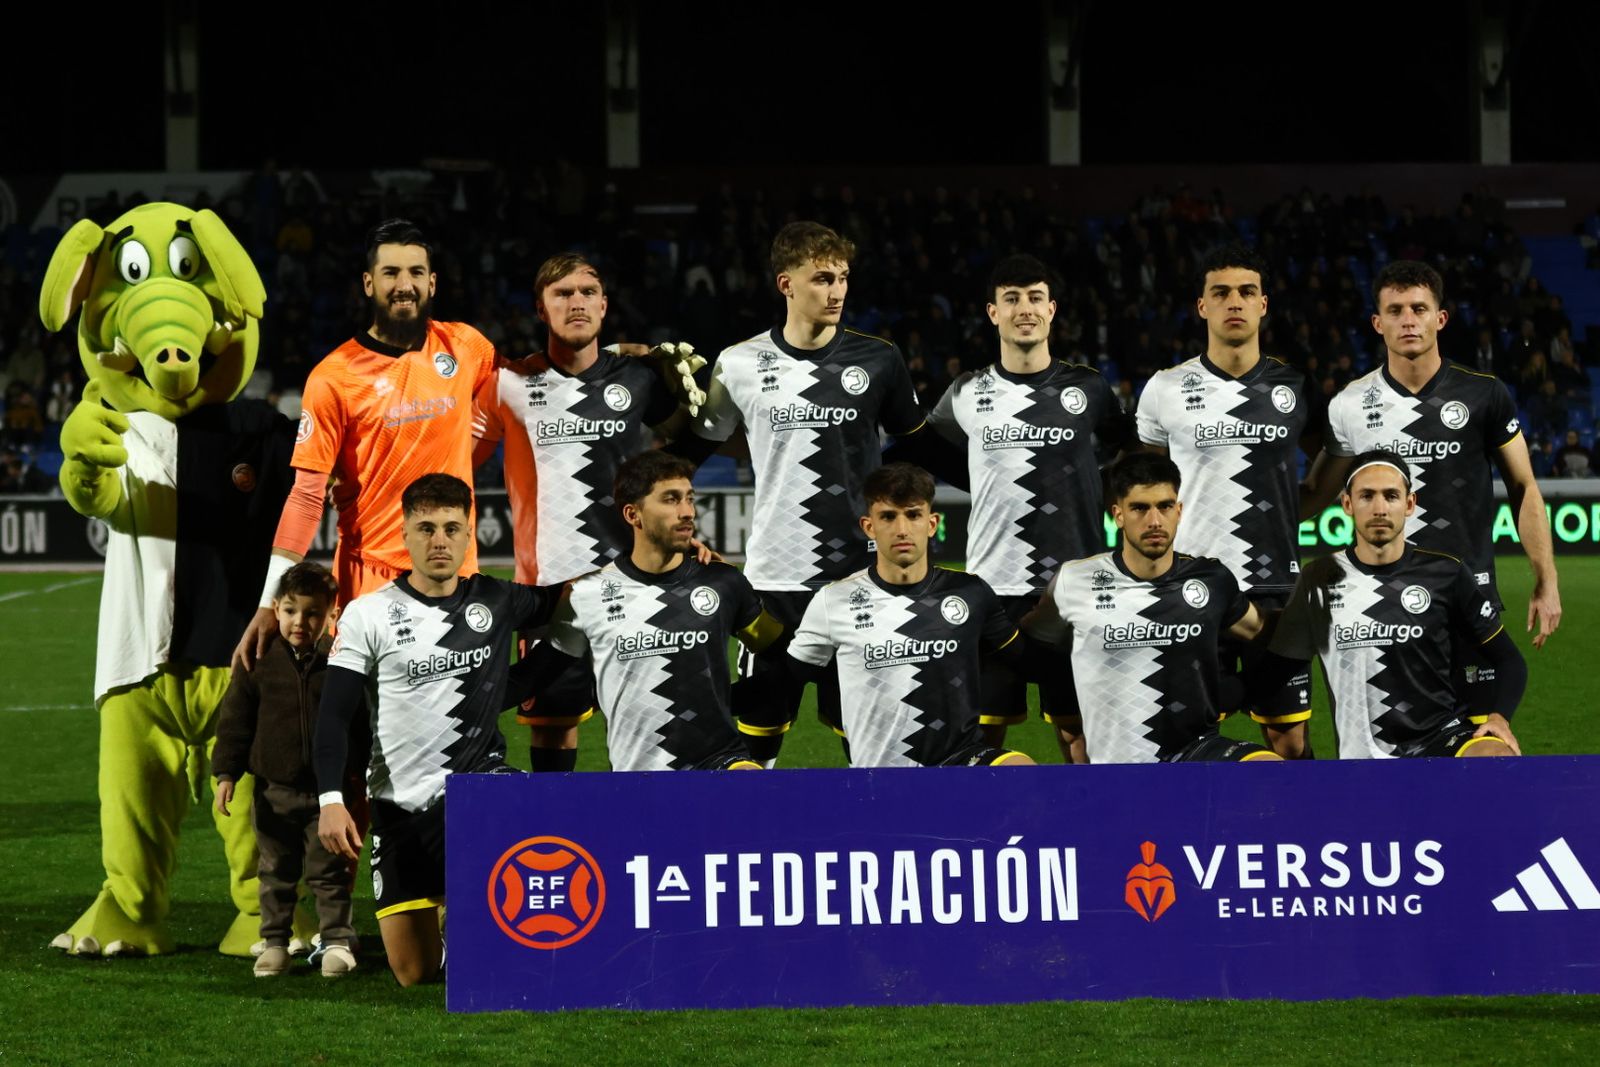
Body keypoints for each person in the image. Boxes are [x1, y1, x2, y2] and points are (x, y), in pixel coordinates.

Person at [682, 222, 954, 764]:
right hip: (772, 583)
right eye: (822, 278)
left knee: (872, 743)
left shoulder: (879, 359)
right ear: (786, 283)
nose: (837, 291)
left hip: (859, 579)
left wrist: (1004, 480)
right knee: (754, 740)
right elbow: (690, 453)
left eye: (844, 278)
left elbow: (920, 446)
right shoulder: (738, 363)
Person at [313, 474, 558, 986]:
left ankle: (490, 916)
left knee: (506, 799)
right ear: (404, 533)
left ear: (471, 534)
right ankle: (455, 928)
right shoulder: (368, 614)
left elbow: (580, 599)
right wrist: (331, 800)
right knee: (415, 973)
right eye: (425, 528)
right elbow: (334, 715)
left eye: (451, 528)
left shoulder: (495, 599)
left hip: (474, 789)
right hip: (400, 806)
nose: (439, 540)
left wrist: (673, 562)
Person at [233, 218, 497, 668]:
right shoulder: (334, 377)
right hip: (371, 586)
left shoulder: (466, 347)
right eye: (391, 273)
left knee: (458, 734)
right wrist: (267, 600)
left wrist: (464, 464)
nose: (404, 285)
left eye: (415, 272)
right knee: (371, 736)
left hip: (454, 575)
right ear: (368, 283)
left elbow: (509, 402)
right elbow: (305, 496)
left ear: (432, 282)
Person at [473, 253, 698, 773]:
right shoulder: (507, 383)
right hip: (550, 594)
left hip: (637, 588)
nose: (576, 301)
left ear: (604, 305)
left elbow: (688, 451)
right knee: (554, 741)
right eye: (561, 293)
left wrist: (695, 405)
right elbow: (453, 461)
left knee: (652, 734)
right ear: (539, 308)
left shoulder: (641, 378)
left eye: (586, 292)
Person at [927, 253, 1129, 762]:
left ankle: (1090, 837)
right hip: (994, 590)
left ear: (1052, 309)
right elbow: (924, 454)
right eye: (1011, 299)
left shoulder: (1089, 389)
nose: (1025, 309)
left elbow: (1127, 457)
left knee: (1081, 738)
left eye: (1035, 298)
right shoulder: (966, 393)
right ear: (992, 313)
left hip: (1075, 588)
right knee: (983, 739)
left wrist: (1093, 491)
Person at [1303, 260, 1561, 651]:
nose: (1408, 320)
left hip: (1468, 597)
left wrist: (1547, 579)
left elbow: (1524, 488)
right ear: (1377, 324)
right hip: (1379, 601)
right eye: (1395, 310)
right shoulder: (1349, 404)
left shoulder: (1484, 394)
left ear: (1440, 319)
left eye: (1419, 309)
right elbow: (1317, 492)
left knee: (1486, 716)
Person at [1134, 244, 1322, 757]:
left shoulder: (1295, 386)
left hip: (1277, 592)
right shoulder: (1164, 389)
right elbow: (1149, 482)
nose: (1234, 301)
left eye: (1246, 292)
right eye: (1221, 293)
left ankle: (1300, 833)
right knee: (1190, 736)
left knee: (1289, 739)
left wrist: (1300, 502)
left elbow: (1336, 456)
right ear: (1202, 306)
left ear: (1264, 304)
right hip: (1191, 587)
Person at [513, 452, 782, 771]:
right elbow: (531, 677)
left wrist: (727, 700)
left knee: (751, 789)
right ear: (633, 514)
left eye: (689, 499)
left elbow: (783, 658)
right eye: (670, 499)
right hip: (635, 780)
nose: (687, 512)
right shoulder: (587, 596)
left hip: (721, 763)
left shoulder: (724, 581)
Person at [1022, 453, 1289, 764]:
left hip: (1196, 752)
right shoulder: (1074, 580)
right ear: (1118, 514)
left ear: (1178, 511)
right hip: (1115, 765)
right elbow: (1030, 650)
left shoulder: (1212, 579)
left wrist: (1240, 689)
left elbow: (1266, 632)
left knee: (1268, 771)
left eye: (1164, 506)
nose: (1154, 521)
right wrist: (1068, 719)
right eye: (1139, 508)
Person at [772, 463, 1039, 768]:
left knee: (1021, 771)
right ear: (868, 526)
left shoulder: (970, 592)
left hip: (959, 761)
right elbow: (782, 682)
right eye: (888, 516)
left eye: (913, 515)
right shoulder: (834, 601)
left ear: (932, 523)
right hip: (881, 775)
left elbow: (1027, 662)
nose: (902, 529)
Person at [1269, 451, 1526, 758]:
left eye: (1391, 496)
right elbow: (1280, 668)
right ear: (1348, 504)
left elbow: (1510, 660)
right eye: (1367, 496)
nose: (1379, 508)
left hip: (1440, 740)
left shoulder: (1447, 573)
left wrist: (1499, 718)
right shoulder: (1318, 579)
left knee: (1495, 757)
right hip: (1361, 757)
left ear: (1409, 504)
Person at [212, 562, 357, 978]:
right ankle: (275, 942)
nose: (300, 622)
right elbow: (235, 721)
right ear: (275, 609)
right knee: (275, 871)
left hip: (328, 795)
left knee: (329, 874)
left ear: (333, 614)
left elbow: (359, 724)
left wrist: (361, 774)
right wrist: (226, 774)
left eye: (313, 612)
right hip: (272, 791)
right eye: (291, 610)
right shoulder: (256, 660)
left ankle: (337, 942)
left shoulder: (344, 661)